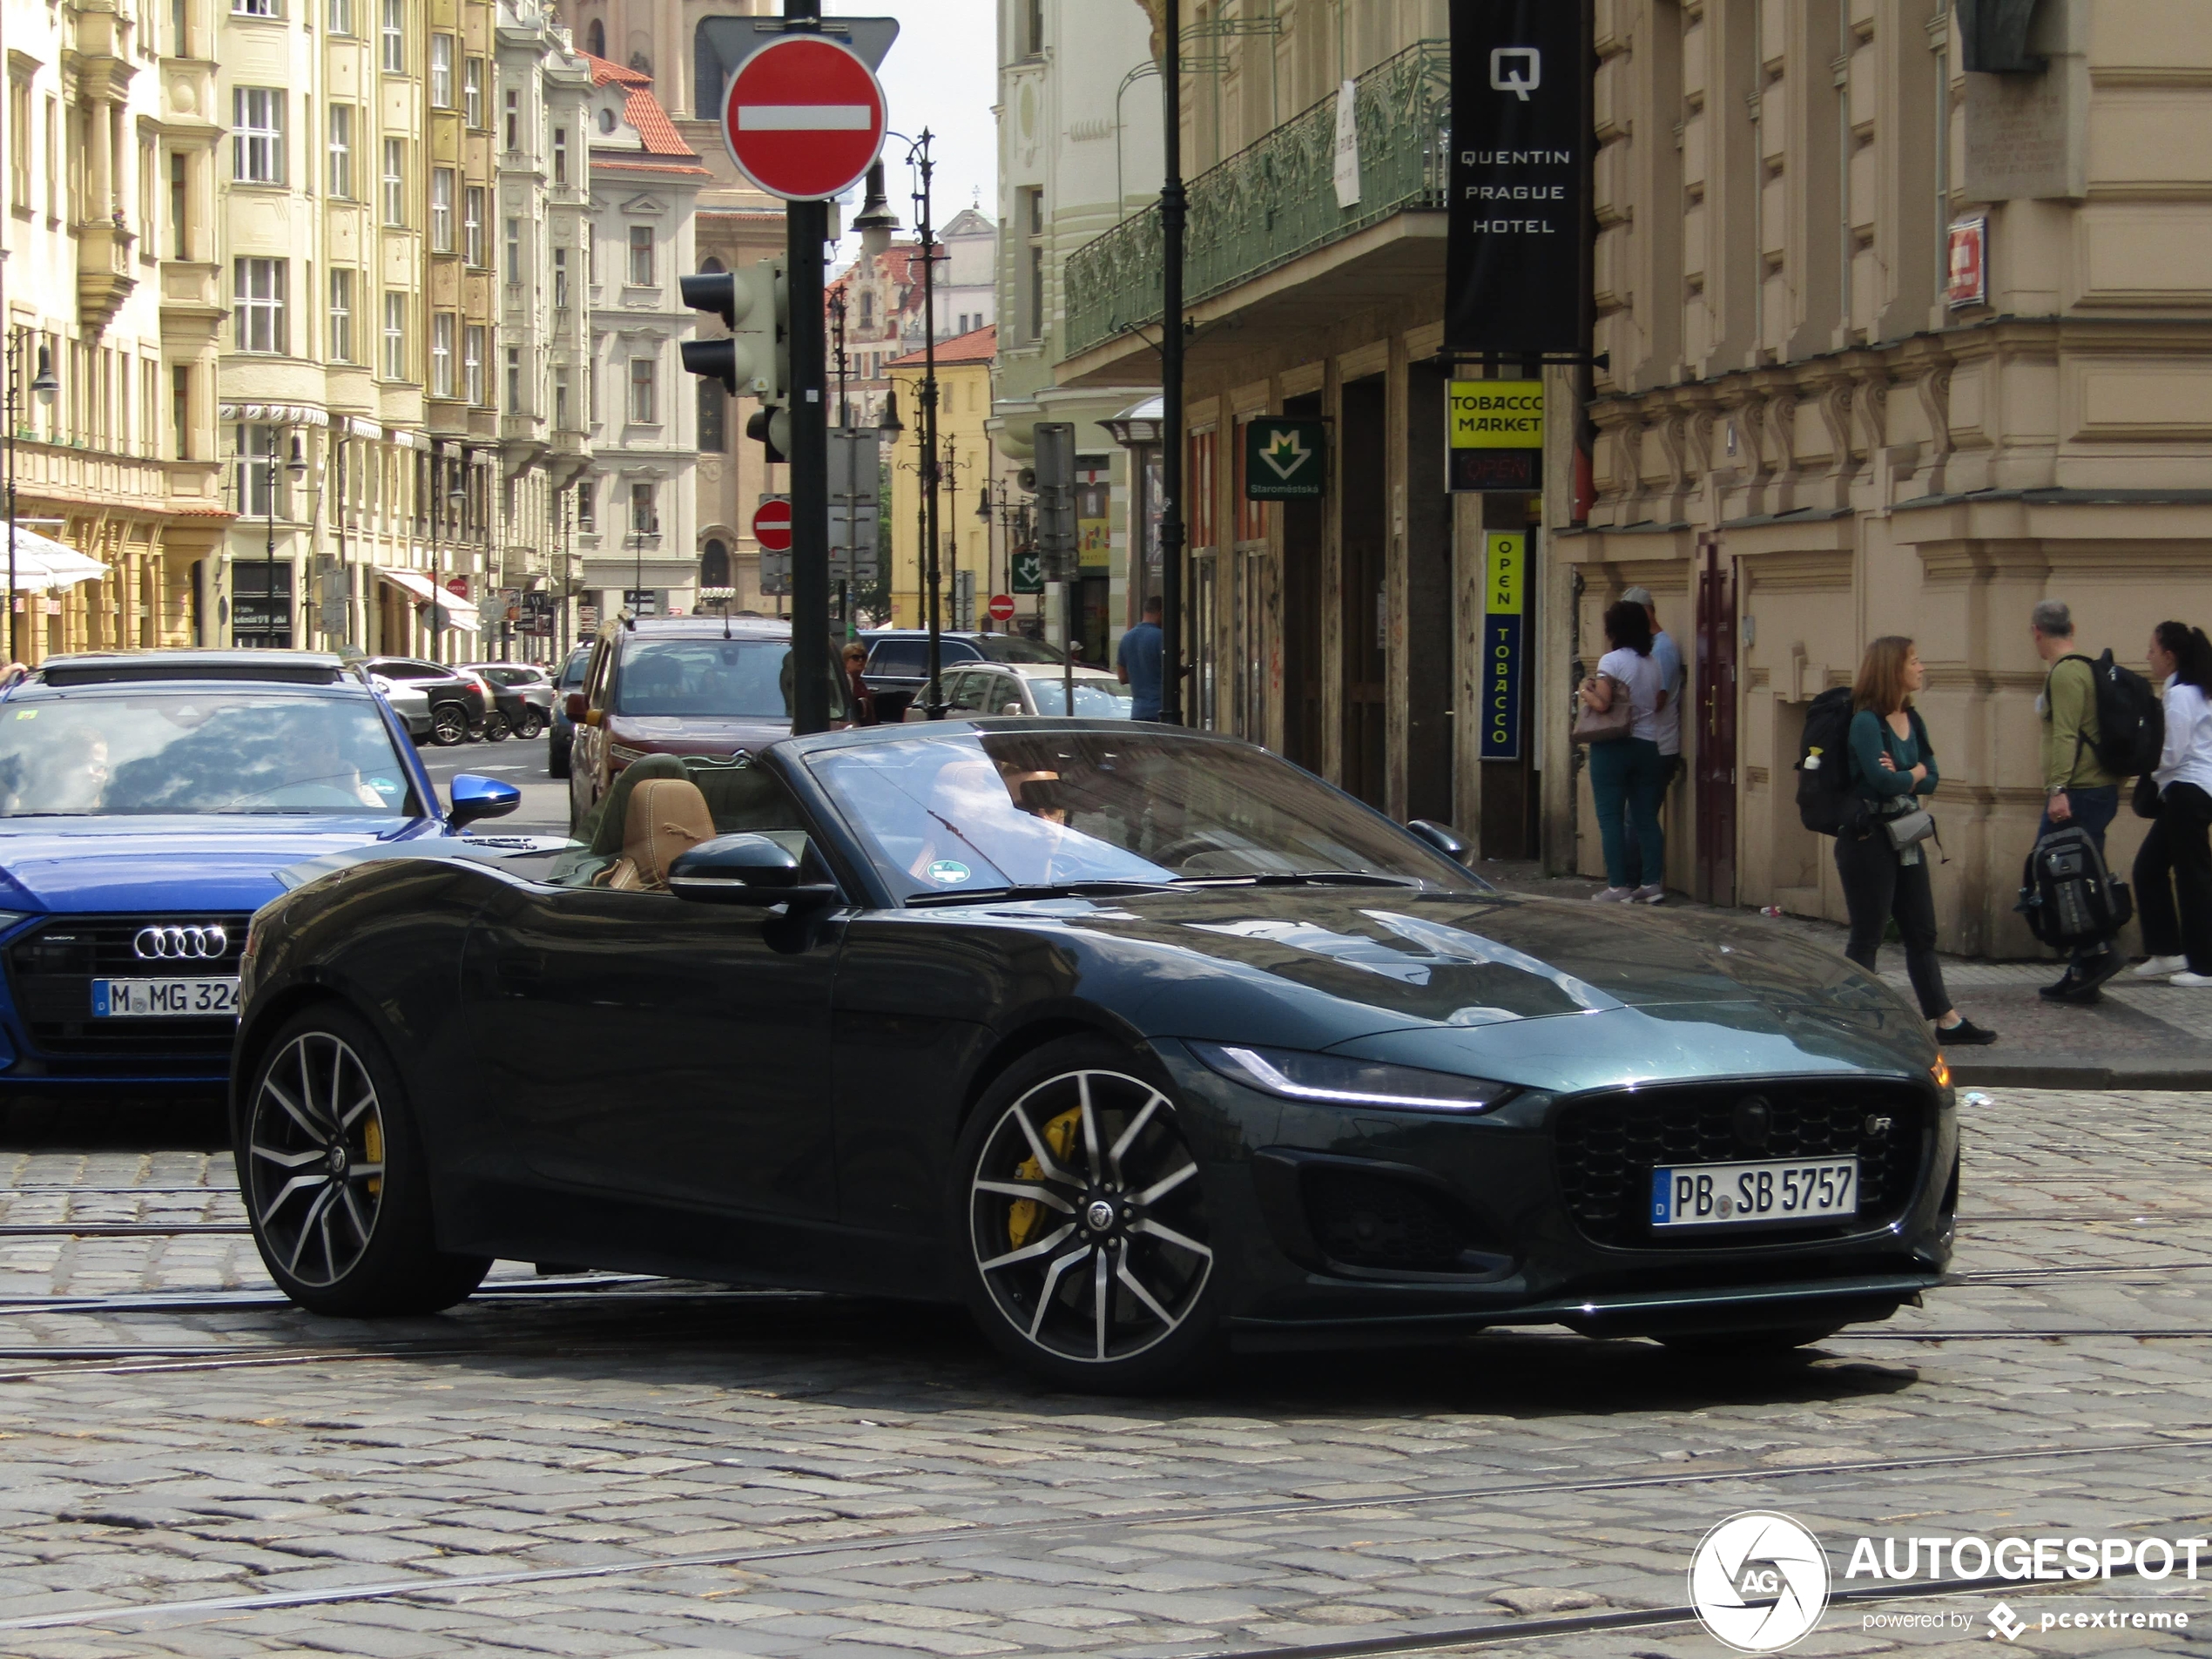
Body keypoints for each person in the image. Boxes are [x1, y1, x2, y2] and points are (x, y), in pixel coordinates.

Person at [1837, 636, 1995, 1045]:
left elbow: (1934, 773)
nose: (1921, 668)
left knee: (1922, 931)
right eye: (1914, 661)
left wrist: (1910, 773)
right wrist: (1916, 773)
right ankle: (1850, 1020)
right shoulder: (1866, 722)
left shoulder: (1913, 718)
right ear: (1893, 669)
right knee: (1868, 934)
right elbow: (1883, 781)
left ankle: (1946, 1020)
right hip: (1868, 838)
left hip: (1905, 835)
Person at [2031, 599, 2125, 1002]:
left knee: (2061, 874)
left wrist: (2057, 790)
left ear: (2037, 633)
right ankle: (2083, 968)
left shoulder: (2067, 673)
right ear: (2072, 627)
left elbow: (2066, 734)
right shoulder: (2085, 667)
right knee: (2076, 876)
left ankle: (2097, 952)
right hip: (2091, 789)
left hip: (2079, 791)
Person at [2132, 622, 2212, 986]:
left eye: (2152, 650)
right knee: (2148, 868)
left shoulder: (2182, 694)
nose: (2148, 656)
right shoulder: (2187, 689)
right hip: (2186, 791)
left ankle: (2204, 965)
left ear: (2169, 655)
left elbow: (2172, 753)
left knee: (2192, 878)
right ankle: (2167, 952)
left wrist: (2143, 763)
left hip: (2187, 791)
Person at [1579, 599, 1668, 903]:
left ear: (1613, 629)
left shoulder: (1611, 661)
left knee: (1610, 818)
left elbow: (1602, 704)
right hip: (1648, 745)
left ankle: (1618, 886)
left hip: (1613, 746)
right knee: (1646, 818)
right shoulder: (1652, 662)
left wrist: (1585, 691)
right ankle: (1652, 883)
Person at [1622, 586, 1683, 788]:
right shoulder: (1644, 646)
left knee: (1638, 817)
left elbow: (1658, 700)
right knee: (1636, 817)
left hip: (1659, 747)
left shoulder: (1661, 650)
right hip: (1646, 746)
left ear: (1645, 613)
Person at [1117, 595, 1165, 722]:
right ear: (1161, 613)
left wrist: (1140, 673)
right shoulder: (1161, 637)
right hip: (1160, 710)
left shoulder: (1126, 638)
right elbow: (1171, 673)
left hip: (1138, 712)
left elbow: (1122, 678)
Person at [842, 641, 877, 726]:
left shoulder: (859, 682)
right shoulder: (846, 680)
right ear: (846, 660)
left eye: (863, 657)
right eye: (855, 657)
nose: (860, 660)